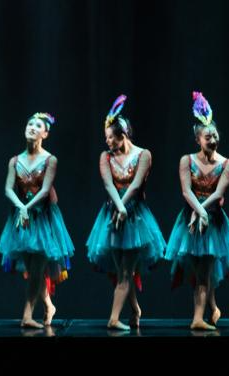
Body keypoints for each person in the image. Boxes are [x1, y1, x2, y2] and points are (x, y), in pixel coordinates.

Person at [86, 95, 166, 330]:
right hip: (112, 215)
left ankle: (113, 319)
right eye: (106, 137)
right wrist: (119, 208)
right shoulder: (105, 157)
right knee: (120, 270)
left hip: (136, 219)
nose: (107, 141)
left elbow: (137, 184)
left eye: (111, 136)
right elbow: (108, 184)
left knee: (125, 271)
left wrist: (125, 208)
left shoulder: (143, 155)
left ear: (123, 134)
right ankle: (135, 309)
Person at [163, 91, 229, 330]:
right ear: (198, 139)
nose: (213, 139)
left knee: (205, 270)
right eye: (208, 136)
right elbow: (186, 191)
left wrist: (202, 212)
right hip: (189, 221)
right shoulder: (186, 161)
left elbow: (217, 194)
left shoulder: (227, 165)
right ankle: (212, 309)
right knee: (199, 270)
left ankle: (198, 318)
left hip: (212, 223)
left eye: (215, 135)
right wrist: (197, 211)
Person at [0, 112, 74, 328]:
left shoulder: (50, 160)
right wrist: (21, 208)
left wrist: (27, 208)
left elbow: (45, 189)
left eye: (38, 125)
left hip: (43, 219)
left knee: (38, 269)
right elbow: (8, 189)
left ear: (45, 134)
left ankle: (27, 315)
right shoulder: (15, 161)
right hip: (22, 220)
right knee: (32, 270)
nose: (32, 127)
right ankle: (48, 305)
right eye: (29, 123)